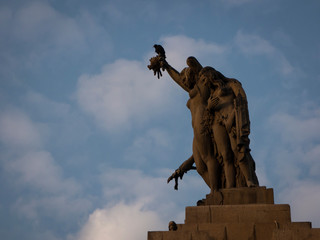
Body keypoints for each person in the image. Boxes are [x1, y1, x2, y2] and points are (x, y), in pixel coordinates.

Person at [162, 57, 220, 194]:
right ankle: (218, 189)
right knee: (200, 167)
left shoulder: (203, 85)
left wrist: (189, 62)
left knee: (209, 157)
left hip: (203, 122)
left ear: (192, 75)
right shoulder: (193, 91)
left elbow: (196, 66)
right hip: (196, 128)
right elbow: (178, 80)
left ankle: (216, 192)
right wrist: (166, 65)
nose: (183, 81)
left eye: (185, 77)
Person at [206, 68, 259, 187]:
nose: (204, 83)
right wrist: (209, 107)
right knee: (225, 156)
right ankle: (230, 186)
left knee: (238, 150)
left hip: (232, 121)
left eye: (205, 79)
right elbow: (209, 113)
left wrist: (232, 118)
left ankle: (249, 180)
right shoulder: (212, 93)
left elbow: (241, 99)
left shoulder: (232, 84)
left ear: (211, 75)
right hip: (218, 123)